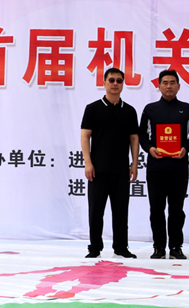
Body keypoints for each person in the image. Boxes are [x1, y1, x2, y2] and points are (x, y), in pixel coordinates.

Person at [81, 68, 139, 259]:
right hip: (98, 170)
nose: (115, 84)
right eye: (111, 80)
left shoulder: (129, 111)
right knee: (96, 211)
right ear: (104, 83)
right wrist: (88, 163)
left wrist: (134, 163)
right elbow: (85, 136)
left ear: (123, 84)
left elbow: (134, 138)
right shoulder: (93, 108)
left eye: (119, 81)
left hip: (121, 170)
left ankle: (121, 247)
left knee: (121, 211)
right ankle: (95, 247)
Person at [139, 70, 189, 260]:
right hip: (156, 167)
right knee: (156, 209)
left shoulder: (186, 109)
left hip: (179, 167)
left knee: (176, 209)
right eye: (165, 82)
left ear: (179, 86)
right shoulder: (150, 109)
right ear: (159, 86)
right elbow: (142, 135)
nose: (169, 86)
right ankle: (158, 247)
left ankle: (176, 247)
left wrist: (186, 148)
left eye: (172, 82)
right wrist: (150, 148)